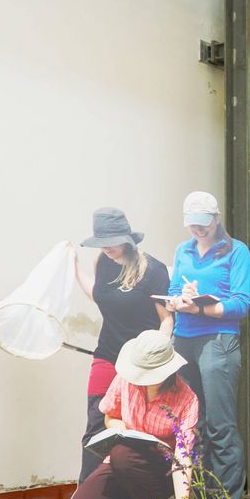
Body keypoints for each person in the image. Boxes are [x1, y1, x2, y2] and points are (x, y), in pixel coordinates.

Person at [60, 330, 199, 499]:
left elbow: (182, 458)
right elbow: (110, 416)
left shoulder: (187, 399)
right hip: (118, 465)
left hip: (158, 472)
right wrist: (120, 428)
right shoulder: (124, 379)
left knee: (122, 454)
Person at [70, 207, 173, 484]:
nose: (107, 249)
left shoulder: (154, 270)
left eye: (112, 242)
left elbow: (166, 320)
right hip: (106, 355)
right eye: (101, 243)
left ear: (127, 239)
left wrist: (157, 357)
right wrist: (75, 267)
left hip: (142, 362)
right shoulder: (102, 263)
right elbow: (100, 296)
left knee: (138, 428)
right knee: (96, 425)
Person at [166, 191, 250, 499]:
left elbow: (241, 303)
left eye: (203, 224)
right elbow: (174, 291)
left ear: (217, 219)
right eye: (192, 225)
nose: (198, 231)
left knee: (220, 426)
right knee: (191, 425)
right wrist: (179, 299)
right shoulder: (183, 250)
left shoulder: (237, 251)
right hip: (184, 340)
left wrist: (202, 307)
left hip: (218, 342)